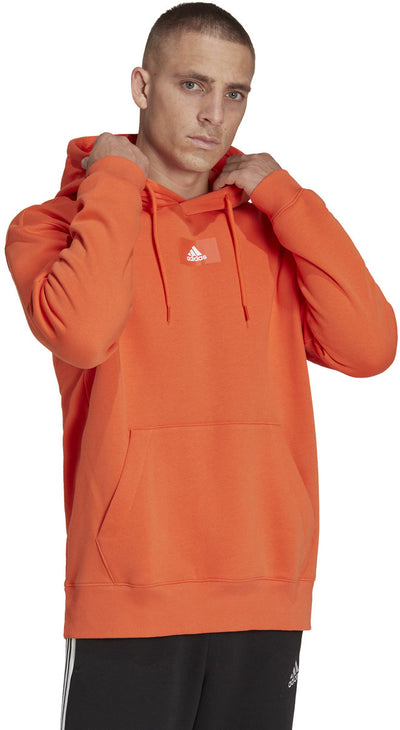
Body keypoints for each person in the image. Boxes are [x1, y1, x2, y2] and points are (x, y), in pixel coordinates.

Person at [5, 2, 397, 729]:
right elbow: (82, 335)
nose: (215, 114)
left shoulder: (272, 226)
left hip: (265, 585)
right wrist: (114, 179)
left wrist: (286, 197)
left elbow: (370, 347)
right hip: (129, 591)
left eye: (235, 93)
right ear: (141, 85)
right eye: (192, 85)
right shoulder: (54, 226)